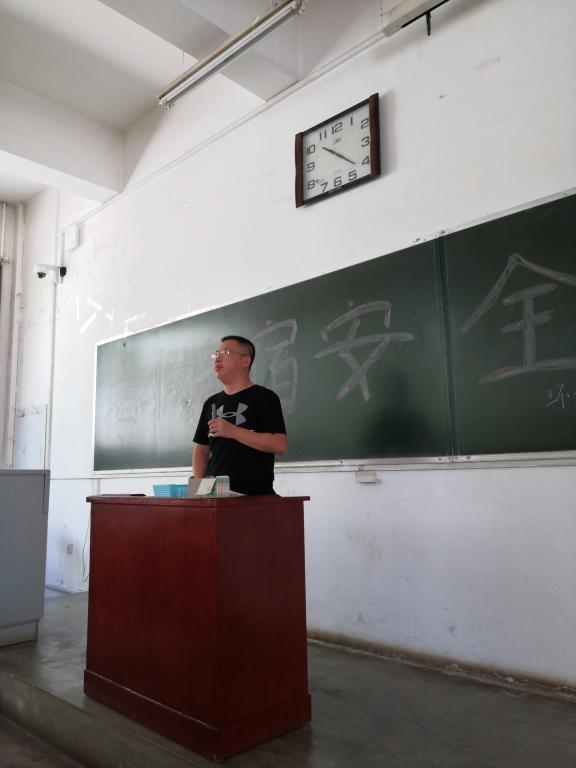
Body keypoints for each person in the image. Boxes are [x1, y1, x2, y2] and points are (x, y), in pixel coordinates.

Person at [192, 335, 287, 495]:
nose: (217, 358)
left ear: (245, 361)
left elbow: (279, 445)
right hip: (216, 494)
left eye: (225, 352)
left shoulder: (265, 397)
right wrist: (199, 489)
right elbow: (201, 448)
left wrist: (233, 431)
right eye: (216, 354)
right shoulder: (211, 402)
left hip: (254, 497)